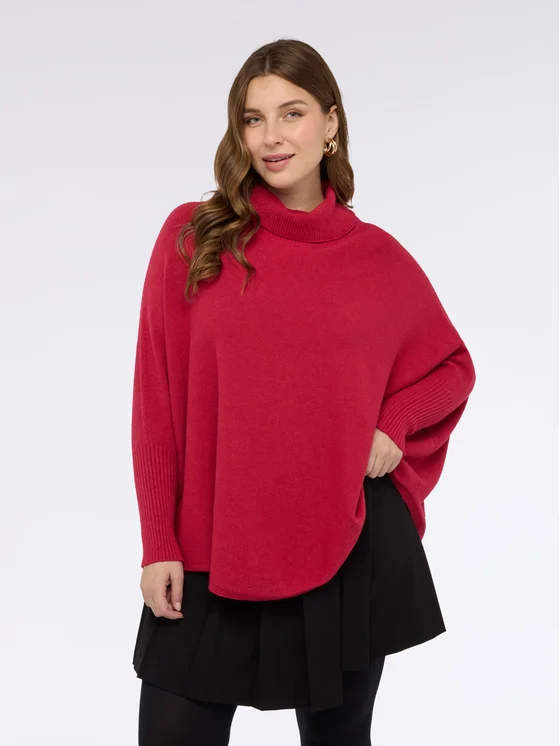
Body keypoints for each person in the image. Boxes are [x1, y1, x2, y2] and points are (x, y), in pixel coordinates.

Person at [130, 38, 476, 746]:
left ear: (331, 123)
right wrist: (158, 539)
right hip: (212, 548)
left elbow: (452, 366)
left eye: (292, 113)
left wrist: (394, 424)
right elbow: (155, 399)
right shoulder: (194, 237)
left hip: (345, 543)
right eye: (253, 119)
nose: (272, 137)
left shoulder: (375, 260)